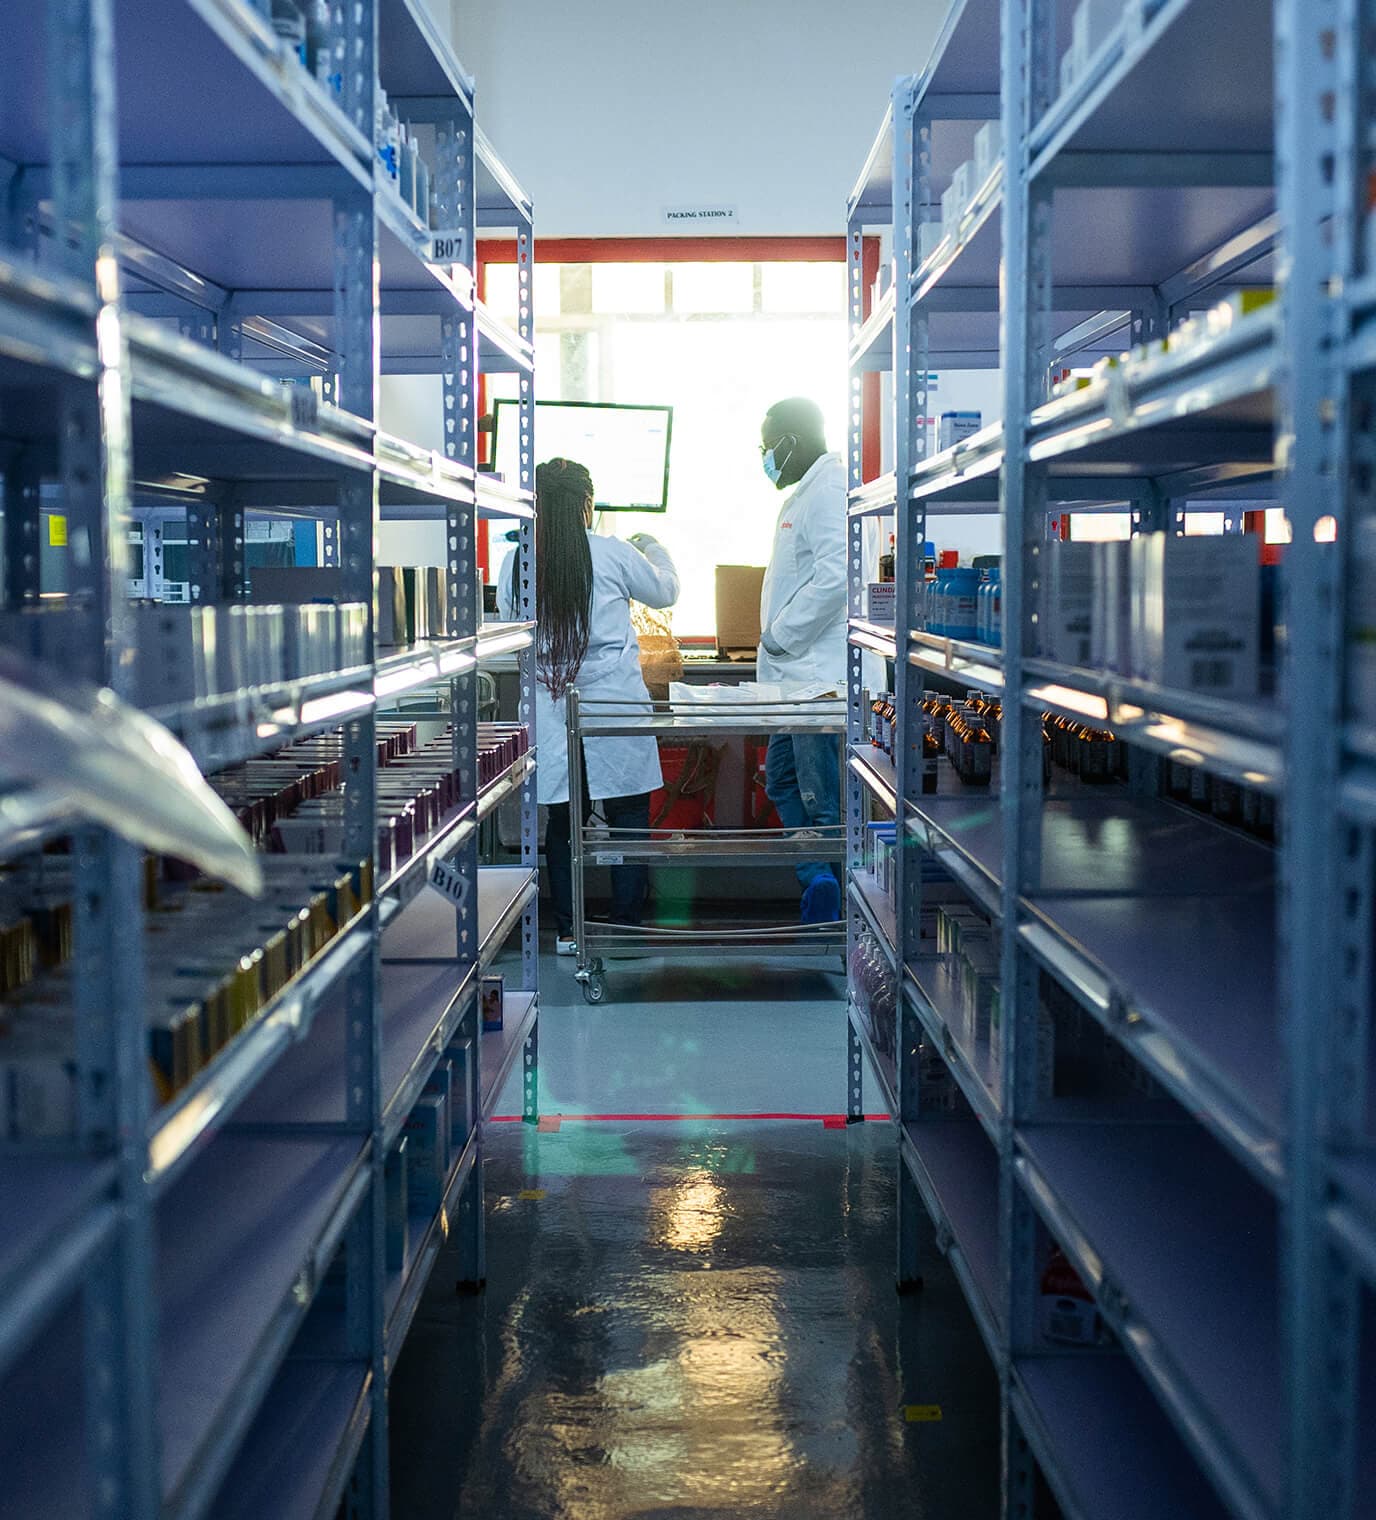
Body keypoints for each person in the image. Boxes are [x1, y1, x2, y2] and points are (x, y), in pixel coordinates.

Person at [499, 457, 680, 955]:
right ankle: (625, 925)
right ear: (586, 503)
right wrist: (653, 547)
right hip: (613, 701)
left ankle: (567, 929)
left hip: (552, 703)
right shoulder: (614, 552)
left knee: (562, 819)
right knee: (627, 816)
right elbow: (665, 592)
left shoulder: (518, 560)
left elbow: (511, 625)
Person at [756, 397, 846, 924]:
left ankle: (834, 909)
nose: (765, 457)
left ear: (790, 441)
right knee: (783, 783)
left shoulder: (828, 489)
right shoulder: (807, 492)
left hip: (814, 678)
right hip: (793, 679)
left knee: (818, 797)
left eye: (768, 446)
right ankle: (819, 879)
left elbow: (836, 578)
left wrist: (781, 637)